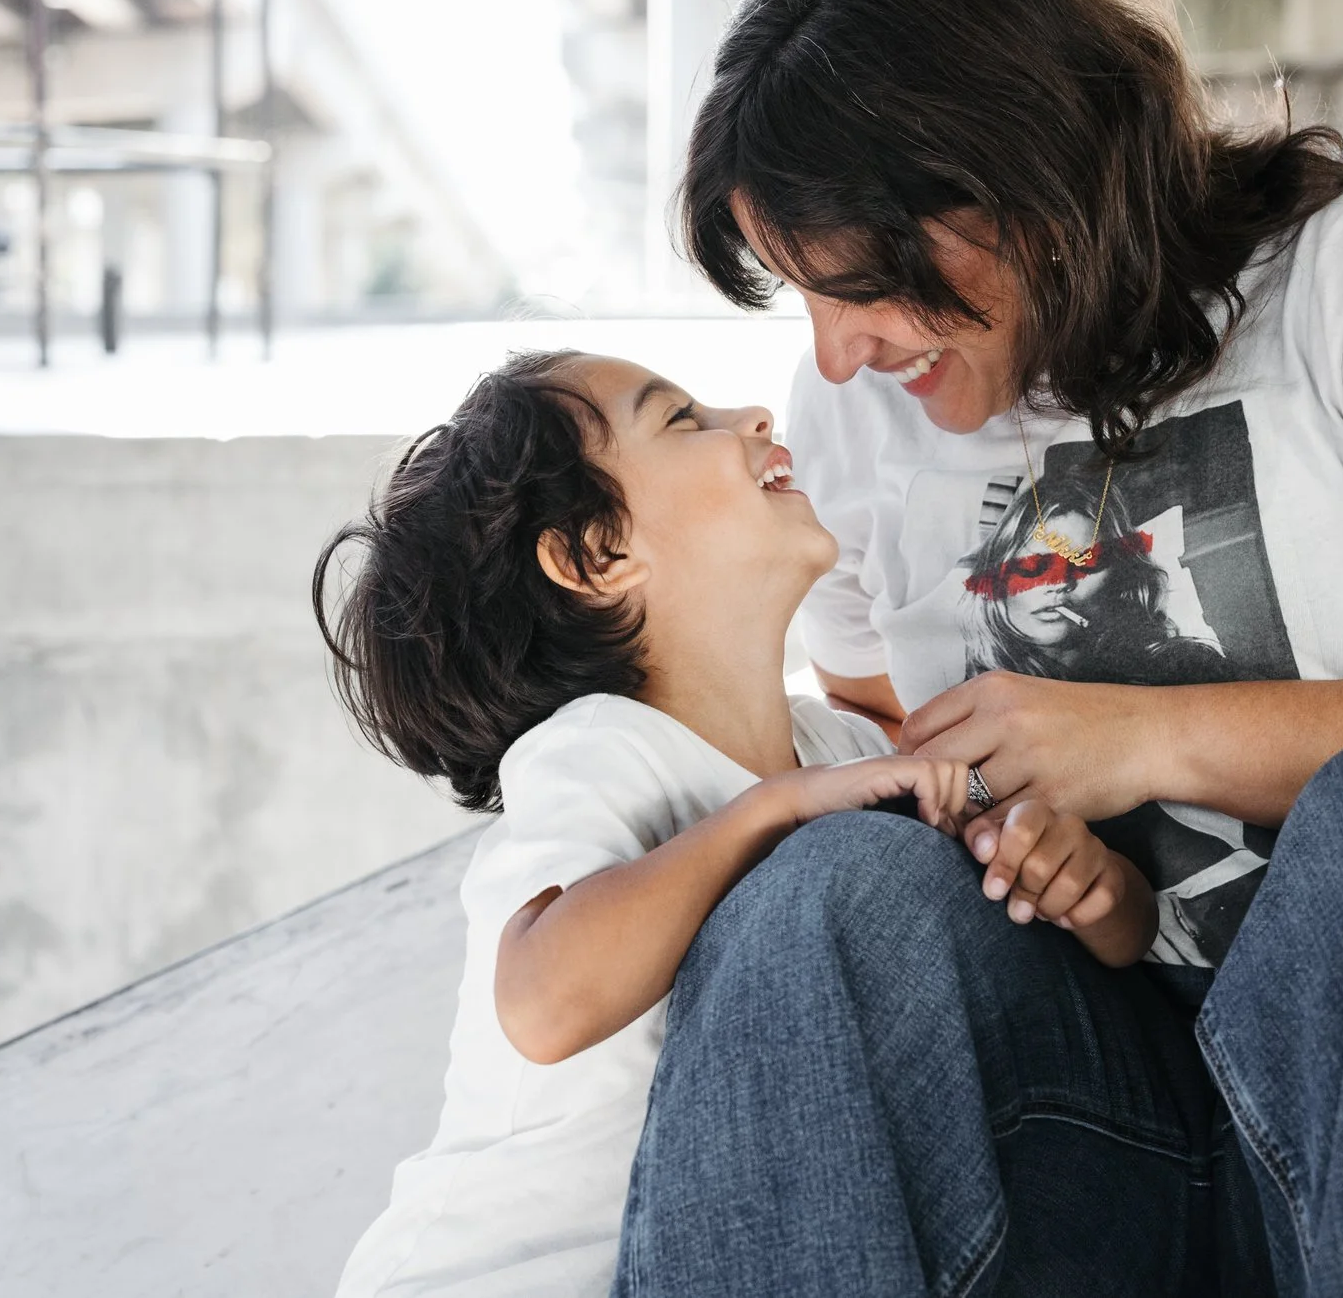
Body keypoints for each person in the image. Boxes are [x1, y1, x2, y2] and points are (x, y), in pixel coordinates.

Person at [616, 0, 1343, 1296]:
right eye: (800, 294)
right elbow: (898, 734)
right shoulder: (852, 423)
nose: (835, 355)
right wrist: (1018, 840)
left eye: (870, 282)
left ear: (1032, 171)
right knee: (822, 886)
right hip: (1124, 1131)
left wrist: (1151, 736)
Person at [319, 350, 1154, 1298]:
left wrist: (1093, 887)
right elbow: (546, 1001)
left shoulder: (833, 744)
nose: (755, 412)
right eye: (680, 419)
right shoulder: (600, 749)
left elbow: (1119, 943)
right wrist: (772, 810)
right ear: (598, 553)